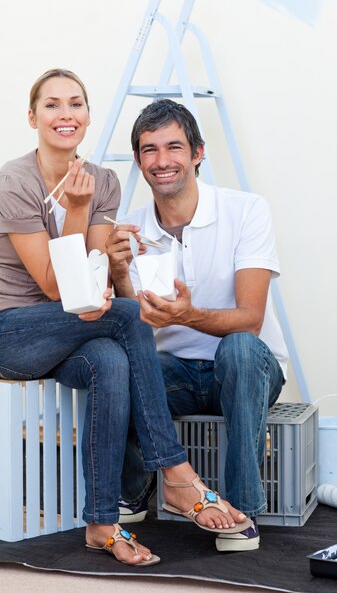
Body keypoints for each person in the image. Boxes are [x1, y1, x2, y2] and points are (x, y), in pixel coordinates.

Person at [0, 74, 250, 566]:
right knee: (131, 317)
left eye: (76, 103)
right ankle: (175, 472)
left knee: (111, 359)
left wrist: (112, 269)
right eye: (52, 105)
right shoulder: (14, 182)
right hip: (15, 333)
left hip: (71, 333)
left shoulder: (105, 182)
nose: (65, 113)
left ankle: (100, 522)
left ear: (88, 116)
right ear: (33, 118)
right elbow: (57, 287)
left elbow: (86, 286)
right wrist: (75, 207)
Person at [105, 99, 289, 552]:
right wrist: (120, 276)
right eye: (149, 150)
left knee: (241, 347)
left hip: (248, 369)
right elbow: (134, 329)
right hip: (174, 373)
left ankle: (241, 508)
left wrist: (186, 314)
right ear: (138, 160)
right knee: (119, 364)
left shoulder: (246, 210)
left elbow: (251, 317)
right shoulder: (128, 229)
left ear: (198, 153)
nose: (162, 161)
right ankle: (135, 491)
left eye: (174, 147)